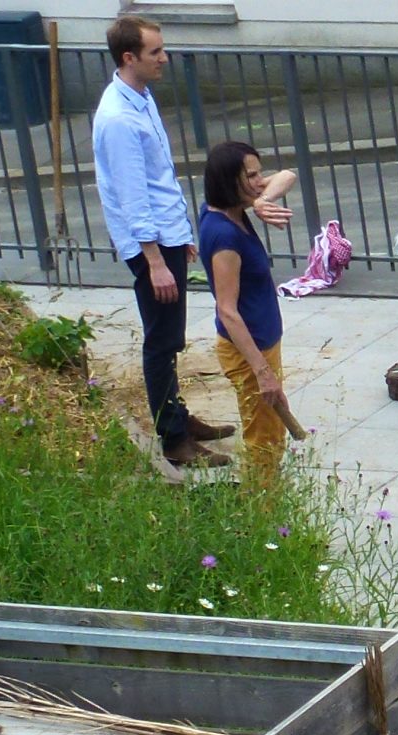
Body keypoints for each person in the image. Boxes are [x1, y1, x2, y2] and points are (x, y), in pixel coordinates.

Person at [96, 15, 234, 469]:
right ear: (129, 57)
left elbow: (159, 180)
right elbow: (134, 196)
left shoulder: (140, 95)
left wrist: (180, 238)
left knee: (170, 336)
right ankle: (174, 439)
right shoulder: (118, 118)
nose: (165, 58)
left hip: (165, 238)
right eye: (156, 52)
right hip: (148, 245)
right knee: (161, 341)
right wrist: (155, 259)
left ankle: (179, 416)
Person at [200, 140, 303, 477]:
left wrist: (260, 200)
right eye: (252, 175)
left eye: (260, 173)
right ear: (230, 181)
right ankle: (261, 516)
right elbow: (228, 311)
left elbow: (288, 174)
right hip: (249, 353)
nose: (261, 180)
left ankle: (266, 506)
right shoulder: (224, 237)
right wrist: (262, 371)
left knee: (271, 434)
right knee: (265, 439)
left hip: (262, 344)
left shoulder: (230, 212)